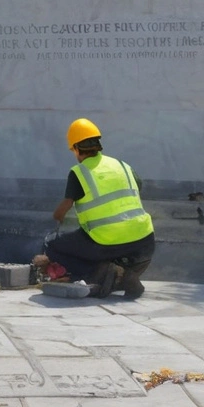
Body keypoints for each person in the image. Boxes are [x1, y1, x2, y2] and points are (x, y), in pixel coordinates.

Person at [35, 118, 155, 299]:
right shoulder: (122, 165)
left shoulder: (80, 172)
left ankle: (110, 273)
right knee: (89, 243)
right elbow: (137, 188)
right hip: (144, 242)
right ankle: (125, 276)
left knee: (52, 244)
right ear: (98, 144)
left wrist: (57, 216)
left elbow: (63, 209)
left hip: (107, 241)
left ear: (75, 148)